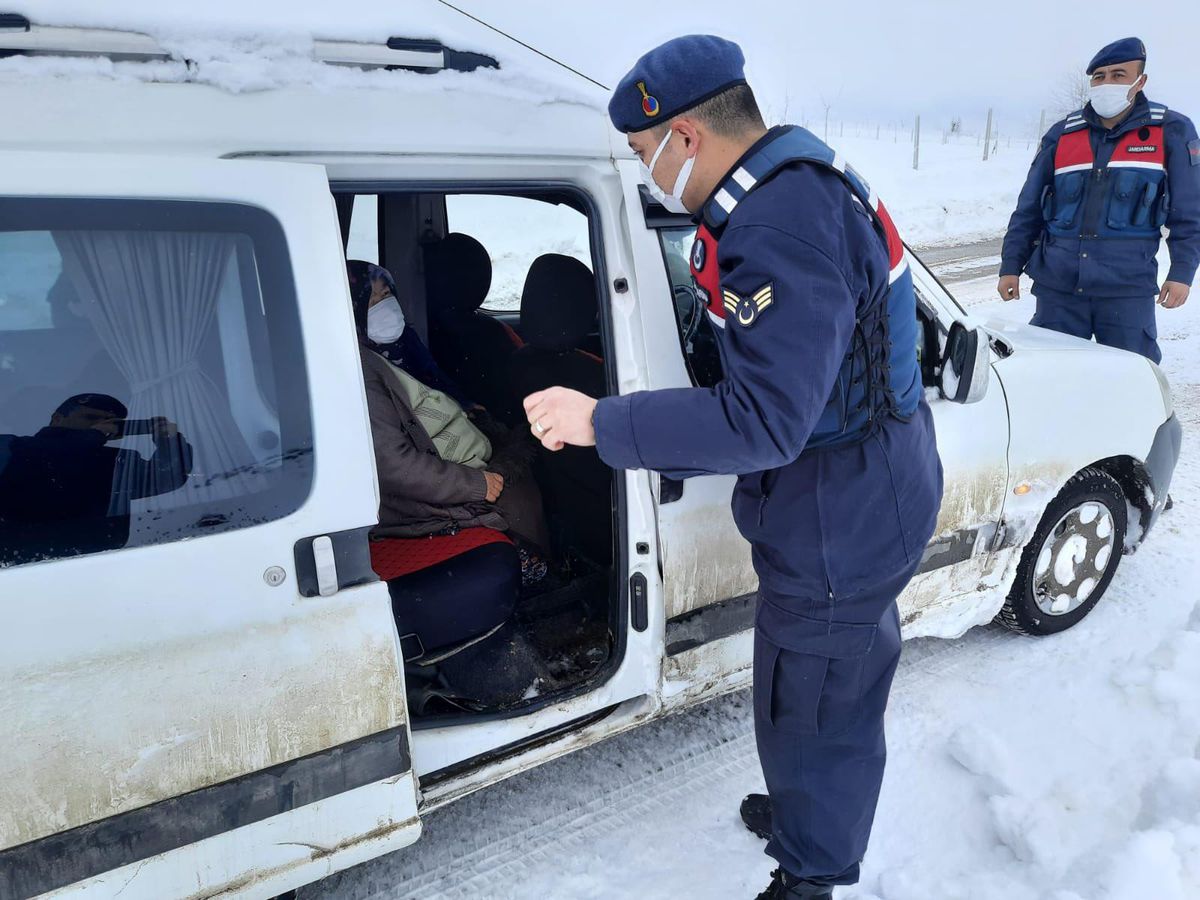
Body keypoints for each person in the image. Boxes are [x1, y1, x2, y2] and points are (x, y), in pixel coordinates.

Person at [522, 35, 943, 900]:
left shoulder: (781, 223)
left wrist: (600, 420)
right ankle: (804, 812)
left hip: (842, 514)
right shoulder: (786, 188)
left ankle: (812, 872)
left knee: (817, 707)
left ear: (685, 136)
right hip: (847, 492)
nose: (646, 172)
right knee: (808, 687)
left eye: (643, 151)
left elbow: (765, 420)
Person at [998, 37, 1200, 363]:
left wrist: (1181, 273)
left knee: (1131, 379)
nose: (1107, 83)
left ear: (1140, 81)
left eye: (1119, 75)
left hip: (1126, 291)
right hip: (1058, 291)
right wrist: (1010, 265)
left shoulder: (1171, 131)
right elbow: (1029, 208)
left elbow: (1189, 212)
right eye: (1099, 77)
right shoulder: (1063, 134)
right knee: (1052, 377)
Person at [0, 393, 192, 565]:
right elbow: (46, 459)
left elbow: (165, 478)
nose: (102, 425)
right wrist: (92, 436)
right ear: (57, 418)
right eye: (91, 418)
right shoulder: (12, 446)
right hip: (14, 564)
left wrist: (170, 442)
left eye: (111, 422)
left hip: (98, 562)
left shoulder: (117, 461)